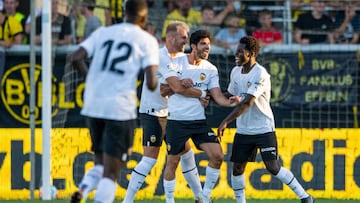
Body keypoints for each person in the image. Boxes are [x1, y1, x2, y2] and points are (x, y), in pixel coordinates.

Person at [69, 0, 159, 202]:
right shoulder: (147, 40)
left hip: (93, 105)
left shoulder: (103, 32)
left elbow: (75, 57)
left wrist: (90, 78)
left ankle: (82, 190)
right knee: (111, 172)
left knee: (100, 162)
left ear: (124, 13)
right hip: (119, 108)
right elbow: (152, 83)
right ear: (144, 18)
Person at [217, 36, 315, 203]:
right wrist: (208, 96)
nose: (236, 54)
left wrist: (226, 121)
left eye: (240, 51)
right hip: (244, 130)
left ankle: (305, 197)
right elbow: (229, 95)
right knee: (237, 168)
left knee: (273, 167)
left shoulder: (260, 73)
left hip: (263, 128)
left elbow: (247, 102)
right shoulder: (235, 71)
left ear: (251, 53)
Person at [123, 21, 206, 203]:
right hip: (154, 113)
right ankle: (127, 201)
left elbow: (173, 87)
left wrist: (179, 85)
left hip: (172, 115)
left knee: (187, 153)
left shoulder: (182, 59)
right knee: (150, 158)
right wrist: (194, 90)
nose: (186, 40)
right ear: (171, 37)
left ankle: (200, 198)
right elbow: (171, 88)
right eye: (183, 37)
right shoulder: (160, 56)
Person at [159, 29, 238, 203]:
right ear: (192, 46)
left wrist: (232, 102)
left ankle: (204, 197)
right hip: (176, 121)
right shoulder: (176, 63)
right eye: (203, 44)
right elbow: (163, 90)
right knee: (172, 162)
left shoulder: (210, 69)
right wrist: (180, 84)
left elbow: (216, 96)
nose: (207, 48)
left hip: (198, 122)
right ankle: (169, 201)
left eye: (209, 45)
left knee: (218, 156)